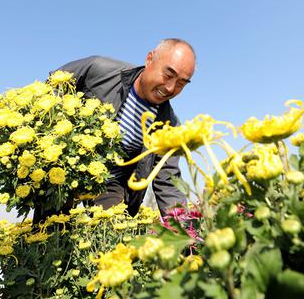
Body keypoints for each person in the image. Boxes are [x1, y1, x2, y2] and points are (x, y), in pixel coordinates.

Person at [35, 38, 196, 221]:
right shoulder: (98, 70)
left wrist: (186, 233)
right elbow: (51, 86)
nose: (170, 88)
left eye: (181, 83)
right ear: (149, 59)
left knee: (108, 233)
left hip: (112, 183)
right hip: (66, 170)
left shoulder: (168, 125)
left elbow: (168, 182)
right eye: (168, 75)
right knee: (50, 229)